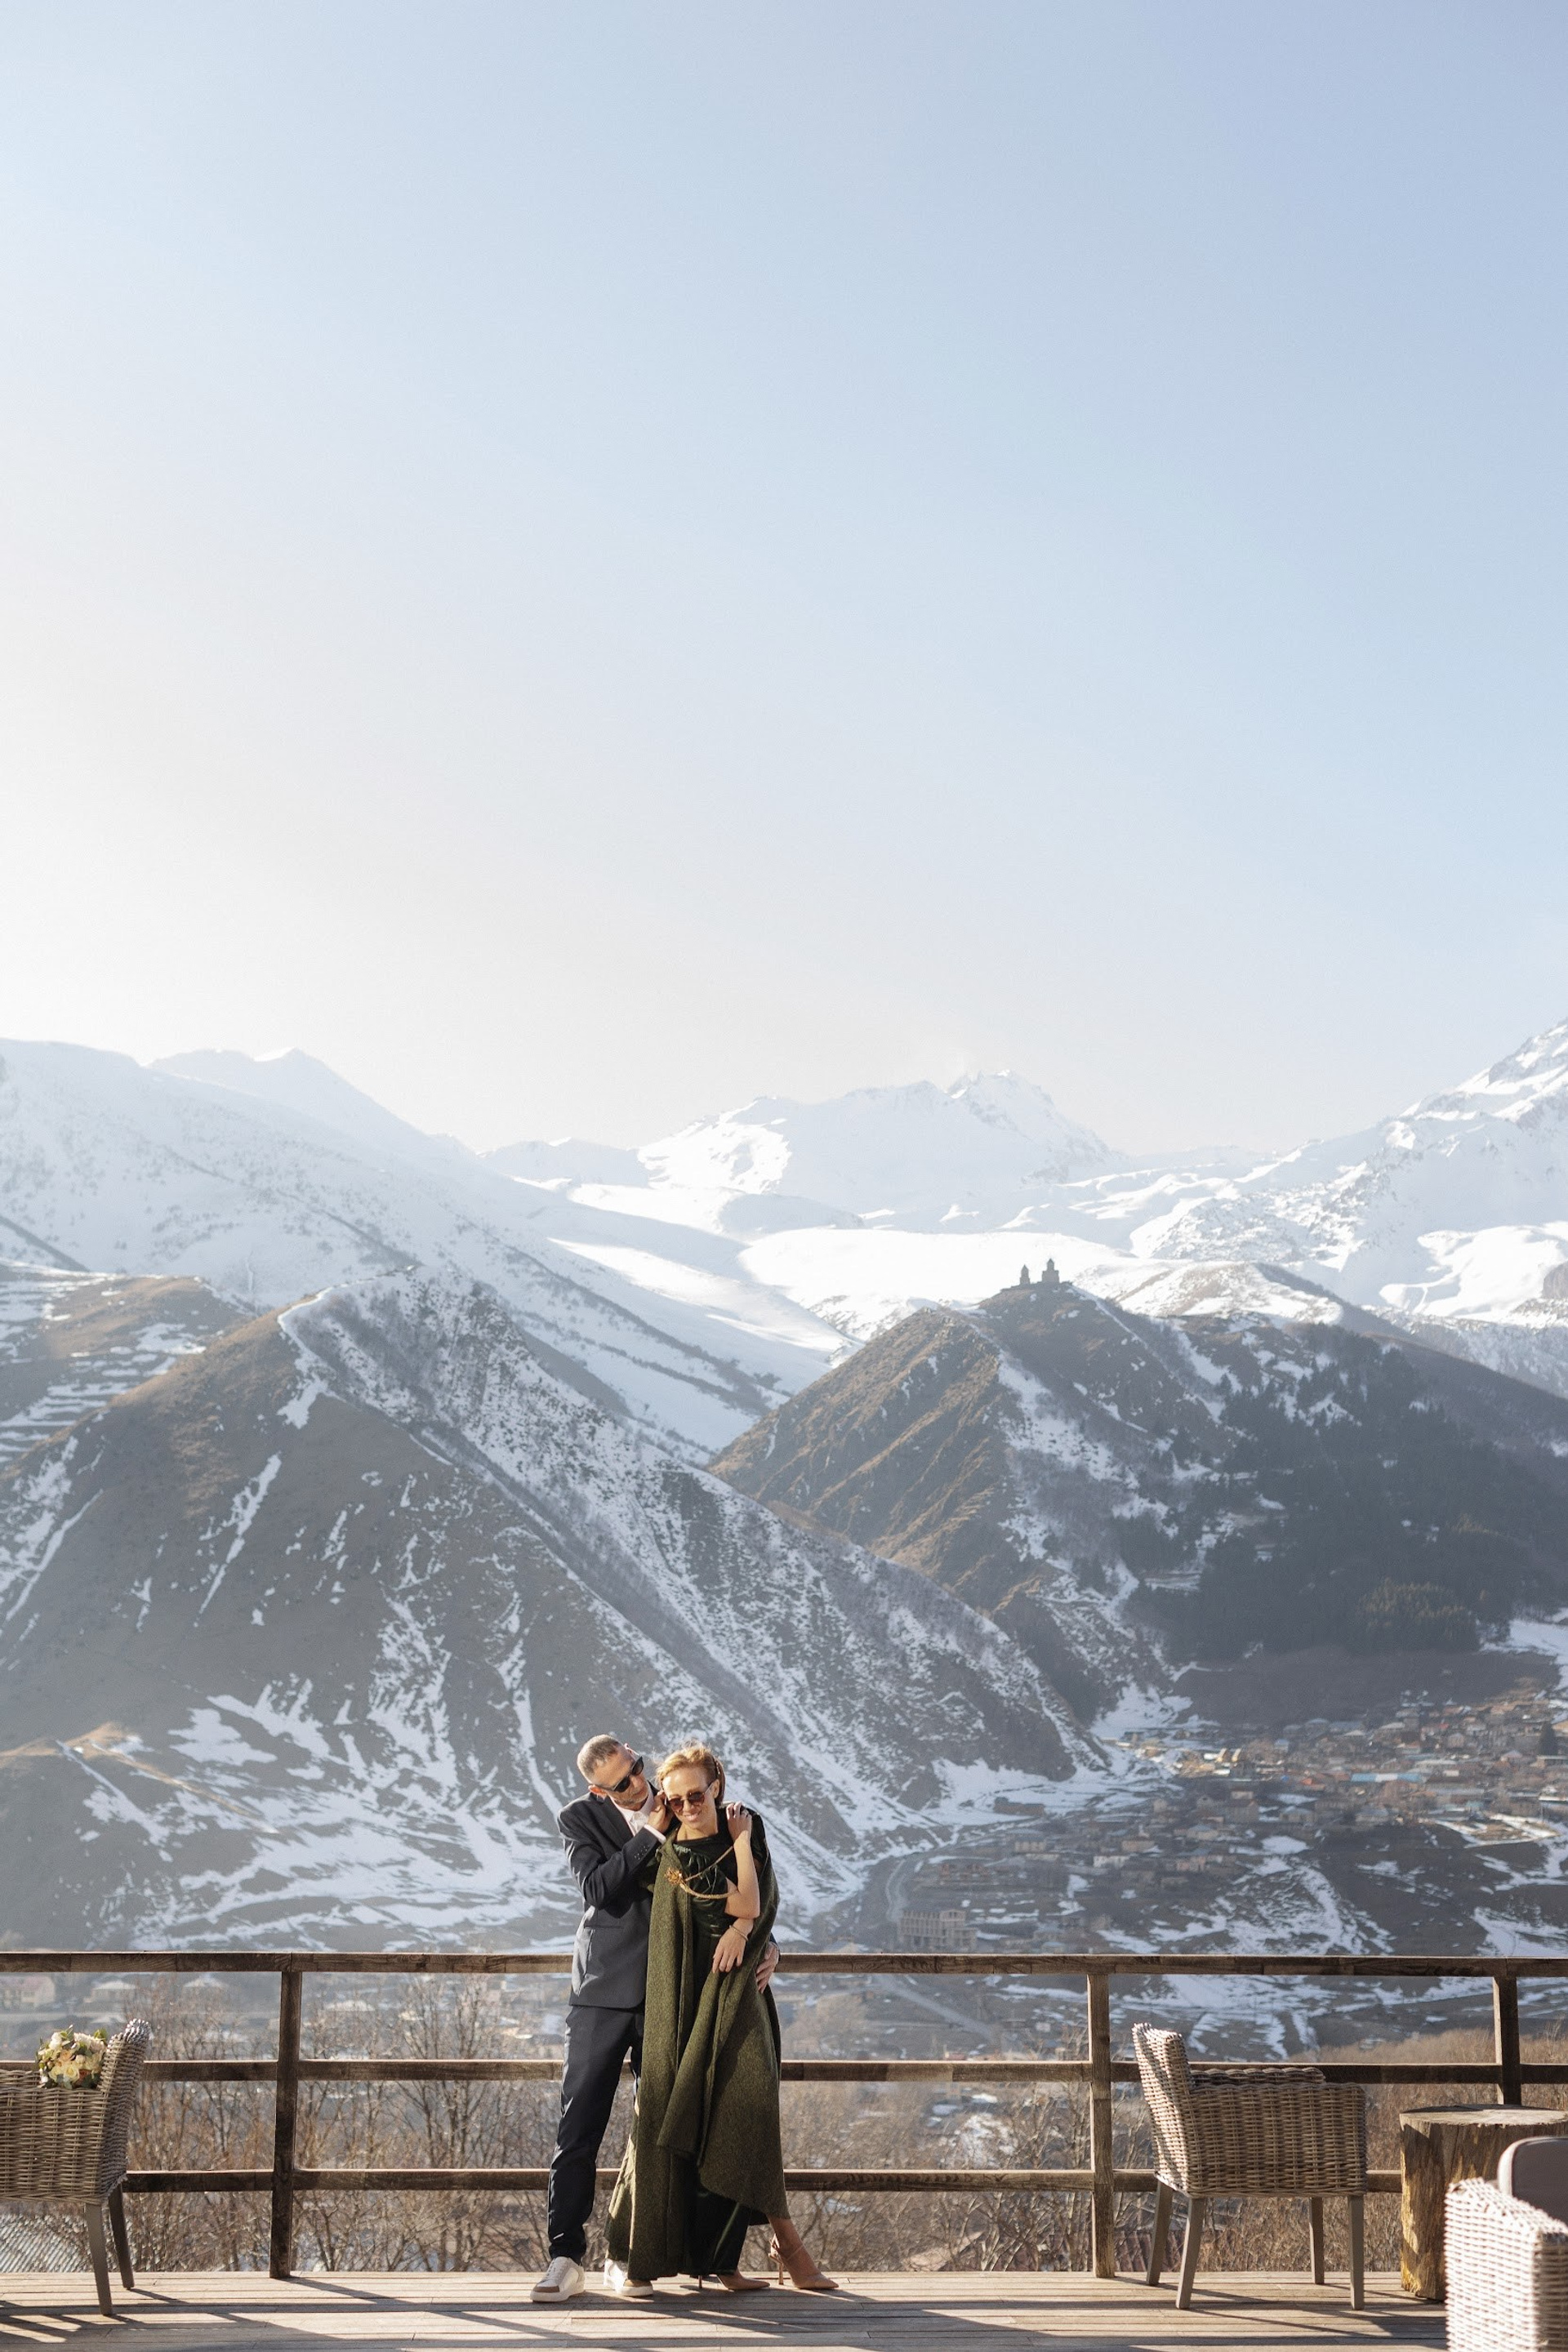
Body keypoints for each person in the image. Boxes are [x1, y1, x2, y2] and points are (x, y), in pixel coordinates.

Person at [531, 1735, 778, 2305]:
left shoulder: (685, 1798)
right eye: (622, 1783)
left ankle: (634, 2255)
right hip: (600, 1993)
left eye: (637, 1770)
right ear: (599, 1790)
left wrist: (767, 1942)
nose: (638, 1785)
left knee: (663, 2125)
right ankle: (564, 2256)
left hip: (673, 1992)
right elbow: (597, 1889)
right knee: (580, 2125)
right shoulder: (579, 1819)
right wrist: (650, 1832)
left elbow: (721, 1887)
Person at [604, 1740, 836, 2296]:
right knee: (673, 2115)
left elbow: (764, 1899)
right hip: (678, 2004)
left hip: (739, 1998)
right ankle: (700, 2261)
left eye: (697, 1795)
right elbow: (620, 1894)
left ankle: (744, 2255)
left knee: (743, 2109)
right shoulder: (662, 1850)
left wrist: (757, 1940)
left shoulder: (743, 1831)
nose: (688, 1806)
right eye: (677, 1798)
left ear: (718, 1788)